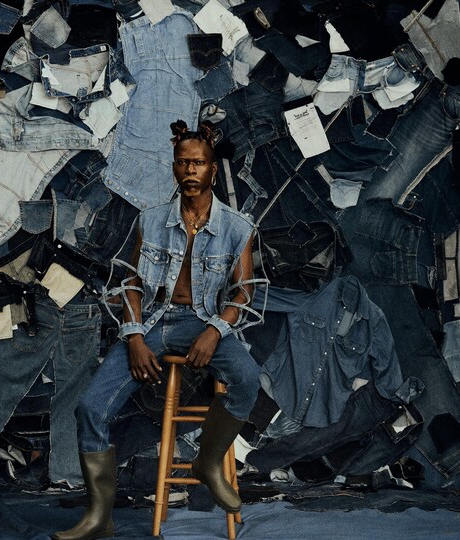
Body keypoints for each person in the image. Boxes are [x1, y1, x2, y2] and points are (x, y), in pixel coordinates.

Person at [53, 121, 262, 540]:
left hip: (204, 323)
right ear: (173, 168)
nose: (190, 171)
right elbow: (129, 281)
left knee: (247, 378)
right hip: (151, 324)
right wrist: (132, 337)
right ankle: (100, 516)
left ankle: (208, 461)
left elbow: (244, 292)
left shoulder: (238, 227)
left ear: (212, 171)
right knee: (90, 407)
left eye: (198, 163)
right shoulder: (150, 220)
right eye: (183, 163)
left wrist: (215, 331)